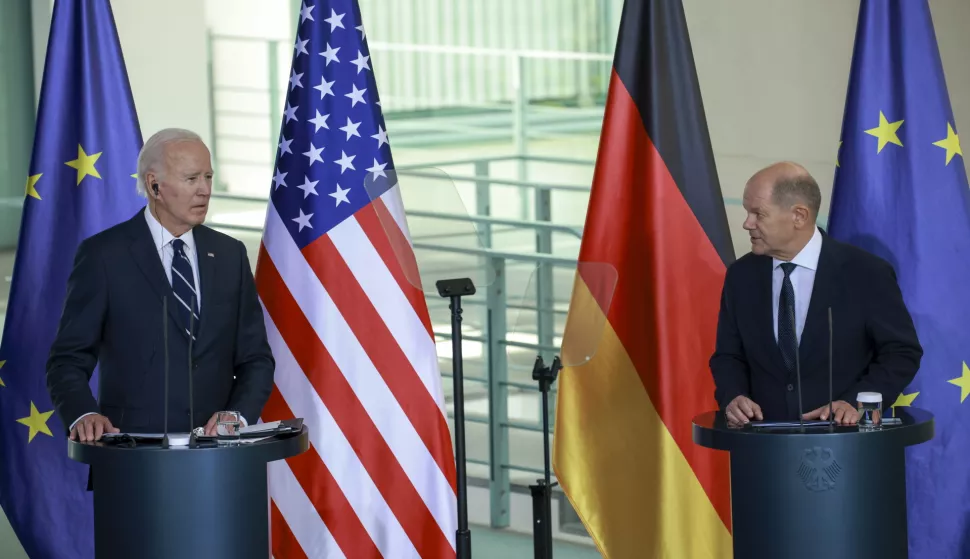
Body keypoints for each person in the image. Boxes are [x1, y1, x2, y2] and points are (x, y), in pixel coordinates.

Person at [46, 128, 275, 442]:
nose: (205, 190)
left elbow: (255, 359)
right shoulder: (103, 255)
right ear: (154, 185)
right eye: (191, 179)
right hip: (133, 457)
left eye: (208, 177)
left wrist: (238, 414)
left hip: (221, 458)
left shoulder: (230, 254)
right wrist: (84, 414)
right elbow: (67, 359)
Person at [709, 161, 922, 426]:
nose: (747, 223)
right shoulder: (741, 276)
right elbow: (728, 355)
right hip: (760, 445)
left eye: (758, 214)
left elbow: (902, 352)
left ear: (799, 215)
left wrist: (855, 402)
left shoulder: (865, 273)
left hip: (845, 444)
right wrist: (733, 396)